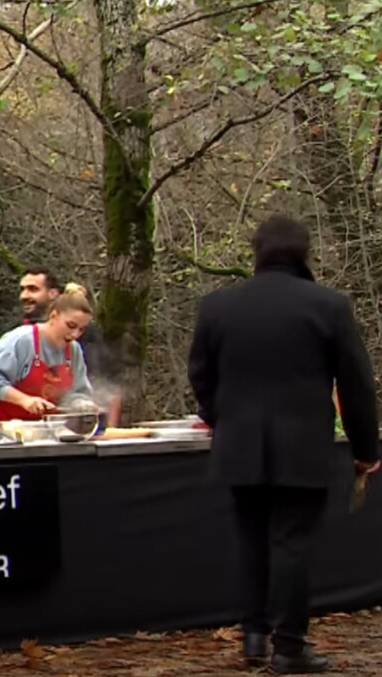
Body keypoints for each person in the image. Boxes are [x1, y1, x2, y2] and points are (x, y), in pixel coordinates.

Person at [188, 215, 379, 675]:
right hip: (303, 446)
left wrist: (223, 419)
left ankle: (254, 634)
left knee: (251, 538)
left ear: (256, 252)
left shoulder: (218, 307)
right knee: (291, 544)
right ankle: (289, 647)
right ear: (303, 253)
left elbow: (200, 375)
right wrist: (365, 446)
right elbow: (355, 382)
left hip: (238, 445)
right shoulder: (328, 306)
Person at [0, 283, 98, 424]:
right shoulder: (21, 340)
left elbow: (77, 391)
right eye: (71, 326)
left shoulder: (74, 350)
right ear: (53, 317)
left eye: (81, 329)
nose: (75, 334)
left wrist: (81, 404)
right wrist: (24, 400)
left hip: (41, 431)